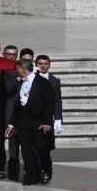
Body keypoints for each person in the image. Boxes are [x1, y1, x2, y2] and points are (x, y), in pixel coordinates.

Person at [5, 59, 55, 186]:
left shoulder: (43, 83)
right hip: (23, 122)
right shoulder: (20, 83)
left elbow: (49, 104)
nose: (16, 72)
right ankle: (31, 175)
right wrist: (11, 124)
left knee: (41, 149)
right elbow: (17, 105)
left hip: (39, 122)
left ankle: (46, 170)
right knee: (26, 151)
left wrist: (47, 122)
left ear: (23, 69)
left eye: (17, 69)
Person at [34, 55, 62, 183]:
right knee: (35, 147)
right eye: (40, 63)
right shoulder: (30, 79)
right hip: (34, 118)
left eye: (45, 63)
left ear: (49, 64)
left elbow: (57, 101)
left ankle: (47, 170)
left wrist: (58, 119)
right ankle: (37, 171)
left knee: (45, 148)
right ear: (36, 64)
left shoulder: (55, 81)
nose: (43, 66)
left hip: (47, 120)